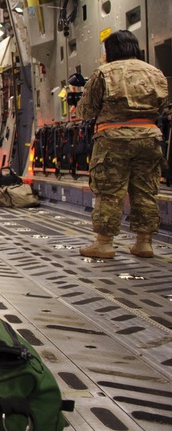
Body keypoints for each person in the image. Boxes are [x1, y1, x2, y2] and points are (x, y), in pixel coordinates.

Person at [77, 30, 168, 259]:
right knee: (146, 190)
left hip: (113, 139)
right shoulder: (155, 73)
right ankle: (144, 242)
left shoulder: (104, 73)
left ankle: (105, 243)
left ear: (110, 51)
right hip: (150, 137)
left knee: (109, 191)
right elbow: (163, 105)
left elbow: (86, 111)